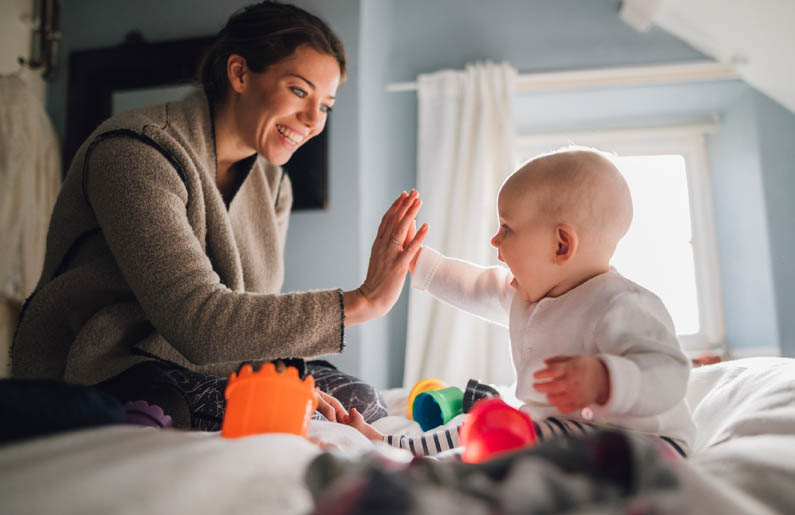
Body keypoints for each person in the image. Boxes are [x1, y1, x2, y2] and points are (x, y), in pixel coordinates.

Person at [12, 1, 428, 431]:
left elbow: (253, 317)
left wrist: (286, 378)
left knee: (360, 399)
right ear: (240, 73)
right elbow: (198, 322)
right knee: (183, 410)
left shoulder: (273, 185)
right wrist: (363, 302)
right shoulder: (134, 153)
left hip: (210, 364)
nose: (311, 120)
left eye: (325, 105)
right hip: (106, 364)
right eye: (300, 91)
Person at [345, 147, 696, 457]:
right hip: (567, 431)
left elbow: (670, 374)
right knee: (485, 420)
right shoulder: (527, 294)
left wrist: (605, 379)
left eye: (507, 229)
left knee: (525, 433)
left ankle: (475, 474)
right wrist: (415, 259)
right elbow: (473, 286)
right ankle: (398, 447)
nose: (495, 241)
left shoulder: (620, 303)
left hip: (647, 441)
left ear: (561, 246)